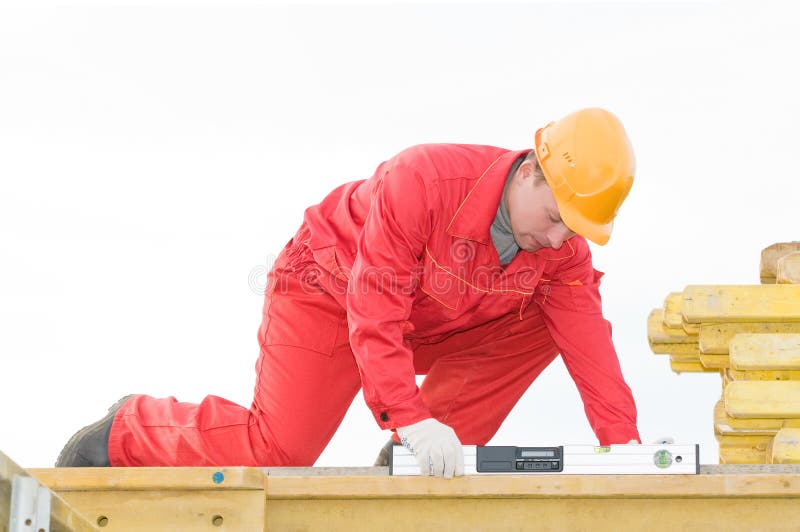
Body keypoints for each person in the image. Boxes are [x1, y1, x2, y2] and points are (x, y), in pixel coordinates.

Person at [56, 107, 640, 478]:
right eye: (559, 217)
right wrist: (407, 418)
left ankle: (419, 461)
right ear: (533, 170)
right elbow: (374, 305)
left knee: (553, 319)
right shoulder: (424, 180)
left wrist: (628, 450)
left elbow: (591, 347)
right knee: (279, 452)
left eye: (576, 230)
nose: (560, 237)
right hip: (329, 293)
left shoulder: (562, 253)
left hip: (434, 320)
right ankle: (129, 428)